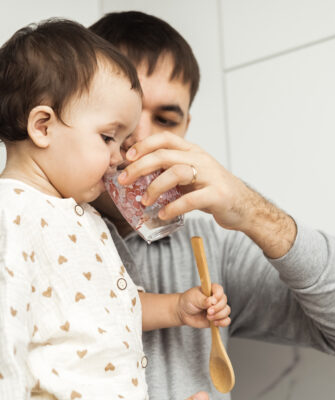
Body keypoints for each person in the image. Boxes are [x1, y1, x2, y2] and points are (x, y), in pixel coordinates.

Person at [90, 11, 335, 400]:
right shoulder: (24, 221)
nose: (142, 140)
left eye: (166, 119)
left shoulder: (209, 244)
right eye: (126, 113)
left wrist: (254, 212)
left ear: (186, 128)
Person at [0, 19, 229, 400]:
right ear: (43, 127)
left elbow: (109, 307)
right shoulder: (12, 213)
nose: (118, 157)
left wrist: (175, 309)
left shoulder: (85, 217)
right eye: (108, 138)